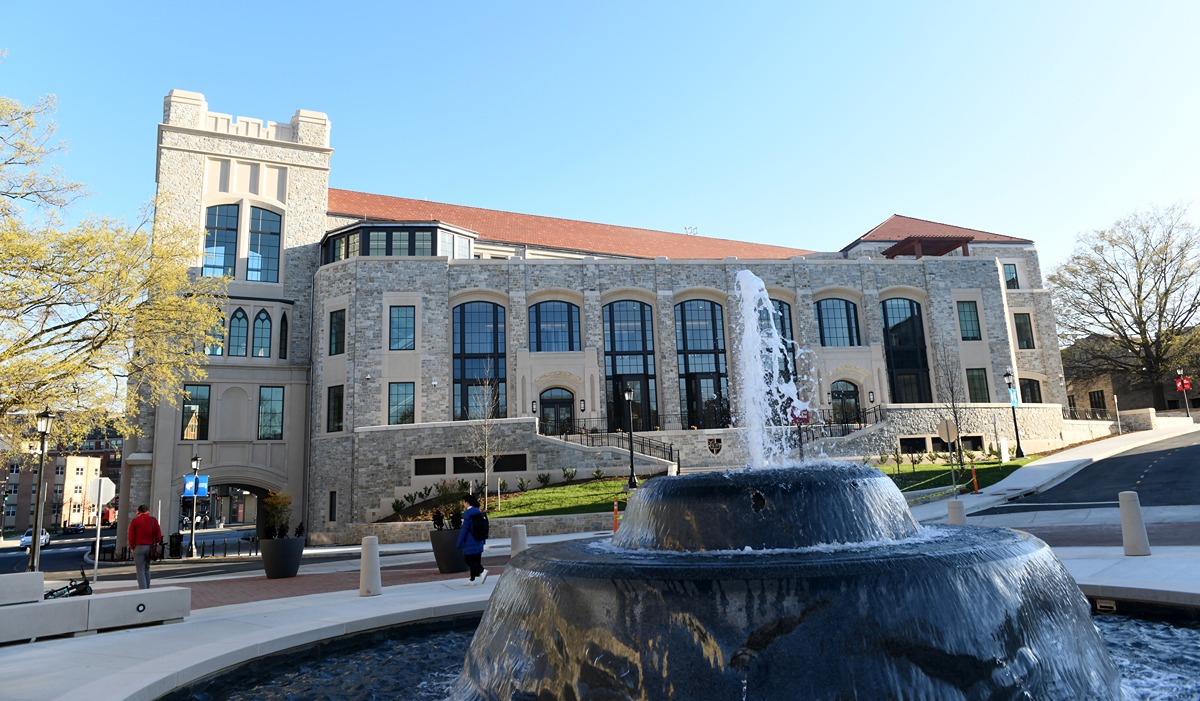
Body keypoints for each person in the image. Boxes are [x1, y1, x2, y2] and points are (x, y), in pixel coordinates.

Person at [127, 504, 162, 589]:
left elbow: (131, 536)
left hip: (139, 547)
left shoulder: (135, 521)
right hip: (150, 548)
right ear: (147, 511)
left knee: (140, 570)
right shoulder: (153, 520)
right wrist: (156, 542)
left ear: (138, 512)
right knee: (147, 568)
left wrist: (132, 546)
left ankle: (143, 589)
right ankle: (147, 588)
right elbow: (158, 536)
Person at [456, 494, 488, 586]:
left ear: (467, 503)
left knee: (468, 560)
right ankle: (472, 579)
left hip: (470, 542)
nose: (463, 504)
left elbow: (464, 530)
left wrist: (459, 543)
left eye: (464, 502)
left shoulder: (468, 515)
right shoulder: (479, 513)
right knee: (476, 560)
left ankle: (483, 571)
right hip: (479, 541)